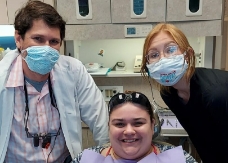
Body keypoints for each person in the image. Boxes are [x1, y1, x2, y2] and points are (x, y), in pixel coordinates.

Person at [0, 1, 109, 162]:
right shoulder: (2, 78)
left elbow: (101, 121)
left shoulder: (73, 71)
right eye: (38, 39)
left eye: (54, 42)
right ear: (18, 39)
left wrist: (108, 156)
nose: (47, 48)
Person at [140, 23, 228, 163]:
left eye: (170, 49)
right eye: (154, 54)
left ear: (188, 54)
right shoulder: (169, 94)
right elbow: (201, 137)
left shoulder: (215, 95)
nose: (163, 59)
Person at [71, 92, 198, 163]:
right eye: (119, 124)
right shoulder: (84, 160)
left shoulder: (181, 160)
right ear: (109, 126)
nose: (129, 131)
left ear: (153, 125)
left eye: (138, 123)